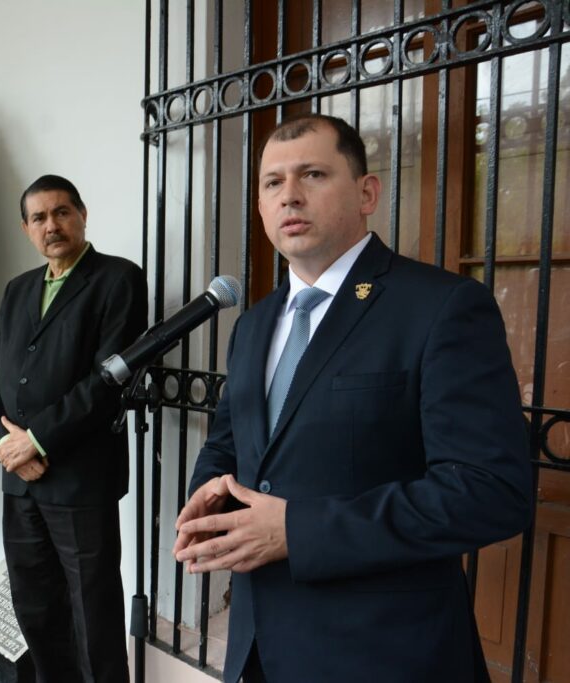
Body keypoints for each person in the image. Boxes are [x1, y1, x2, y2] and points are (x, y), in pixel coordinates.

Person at [172, 115, 533, 682]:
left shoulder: (441, 307)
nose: (290, 195)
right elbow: (229, 443)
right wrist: (209, 500)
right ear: (261, 206)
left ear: (367, 194)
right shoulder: (253, 324)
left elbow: (491, 492)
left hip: (383, 653)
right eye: (272, 182)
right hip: (260, 646)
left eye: (313, 174)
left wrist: (298, 531)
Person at [0, 175, 148, 682]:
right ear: (26, 228)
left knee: (93, 614)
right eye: (39, 217)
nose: (51, 225)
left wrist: (36, 440)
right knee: (35, 607)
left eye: (61, 212)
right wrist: (6, 446)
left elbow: (109, 379)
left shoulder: (118, 279)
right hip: (20, 481)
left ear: (82, 215)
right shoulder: (18, 289)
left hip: (80, 481)